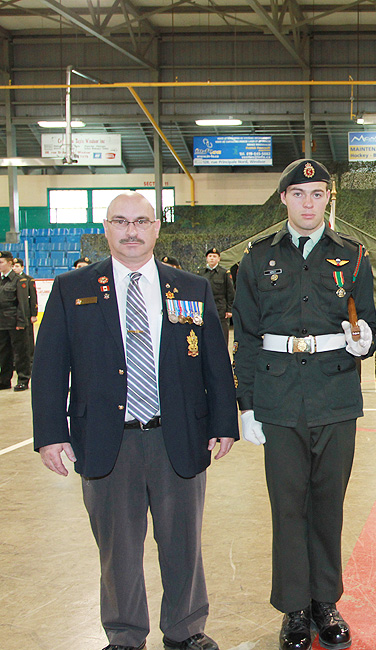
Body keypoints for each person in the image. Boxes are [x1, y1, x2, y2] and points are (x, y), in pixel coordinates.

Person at [31, 191, 239, 650]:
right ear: (106, 228)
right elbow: (48, 368)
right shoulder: (72, 289)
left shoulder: (190, 288)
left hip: (177, 436)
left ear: (156, 229)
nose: (131, 231)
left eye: (142, 222)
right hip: (107, 441)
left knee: (183, 543)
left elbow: (214, 363)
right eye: (120, 221)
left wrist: (224, 421)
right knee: (117, 550)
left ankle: (185, 630)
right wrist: (50, 435)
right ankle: (125, 635)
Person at [233, 159, 376, 650]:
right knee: (288, 505)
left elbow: (371, 324)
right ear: (284, 200)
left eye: (317, 194)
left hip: (335, 393)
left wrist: (364, 341)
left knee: (329, 504)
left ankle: (326, 602)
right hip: (278, 398)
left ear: (328, 199)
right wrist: (246, 404)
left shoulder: (354, 257)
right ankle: (295, 608)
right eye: (299, 194)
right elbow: (247, 336)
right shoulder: (255, 260)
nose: (308, 203)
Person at [0, 250, 31, 391]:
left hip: (15, 322)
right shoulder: (1, 281)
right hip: (2, 323)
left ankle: (23, 379)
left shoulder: (19, 280)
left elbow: (22, 303)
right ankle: (4, 380)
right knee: (4, 352)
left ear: (10, 264)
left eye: (1, 262)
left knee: (20, 352)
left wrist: (21, 322)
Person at [199, 247, 235, 344]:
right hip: (205, 309)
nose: (212, 258)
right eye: (210, 256)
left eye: (215, 256)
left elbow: (230, 292)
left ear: (218, 259)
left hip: (220, 309)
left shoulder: (224, 273)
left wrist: (229, 309)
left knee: (222, 336)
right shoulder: (201, 273)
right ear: (206, 258)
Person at [12, 258, 38, 364]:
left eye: (17, 266)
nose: (15, 268)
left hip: (26, 312)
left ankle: (31, 359)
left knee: (28, 337)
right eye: (13, 266)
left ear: (22, 267)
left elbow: (33, 297)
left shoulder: (28, 279)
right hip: (14, 314)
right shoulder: (10, 280)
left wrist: (34, 313)